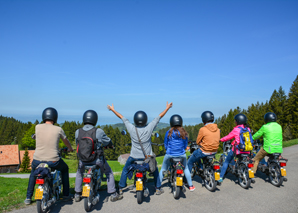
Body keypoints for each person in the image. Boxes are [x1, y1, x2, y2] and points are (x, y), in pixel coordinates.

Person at [107, 102, 173, 195]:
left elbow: (122, 118)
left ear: (135, 120)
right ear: (145, 120)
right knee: (155, 170)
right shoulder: (149, 128)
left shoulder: (131, 128)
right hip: (147, 158)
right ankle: (158, 188)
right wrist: (167, 108)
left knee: (125, 170)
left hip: (133, 157)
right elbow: (159, 117)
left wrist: (112, 109)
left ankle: (121, 188)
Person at [24, 107, 74, 205]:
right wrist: (70, 148)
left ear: (44, 116)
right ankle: (66, 195)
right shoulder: (58, 129)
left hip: (37, 160)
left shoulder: (37, 127)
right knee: (65, 169)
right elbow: (65, 141)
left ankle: (28, 198)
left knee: (33, 173)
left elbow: (35, 136)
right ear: (55, 117)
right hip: (53, 161)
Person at [74, 110, 123, 202]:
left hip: (82, 160)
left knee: (79, 173)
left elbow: (77, 144)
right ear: (95, 119)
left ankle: (77, 194)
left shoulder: (78, 132)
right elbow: (108, 141)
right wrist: (111, 145)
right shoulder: (98, 131)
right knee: (108, 172)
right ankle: (113, 194)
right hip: (96, 160)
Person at [159, 114, 194, 191]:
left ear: (171, 122)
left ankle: (158, 186)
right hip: (181, 155)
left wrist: (167, 149)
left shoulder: (169, 132)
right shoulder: (184, 133)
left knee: (163, 169)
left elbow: (165, 143)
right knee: (186, 169)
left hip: (170, 154)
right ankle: (191, 186)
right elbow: (185, 145)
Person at [187, 111, 220, 186]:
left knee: (190, 162)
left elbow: (198, 142)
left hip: (204, 151)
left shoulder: (202, 129)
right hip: (214, 151)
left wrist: (202, 143)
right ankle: (204, 168)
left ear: (204, 119)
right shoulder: (218, 129)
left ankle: (187, 180)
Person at [218, 113, 252, 182]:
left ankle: (221, 177)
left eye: (236, 121)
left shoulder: (236, 129)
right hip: (247, 149)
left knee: (226, 161)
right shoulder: (248, 129)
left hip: (238, 150)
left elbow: (228, 137)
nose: (235, 122)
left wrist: (221, 140)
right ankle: (251, 176)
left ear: (238, 121)